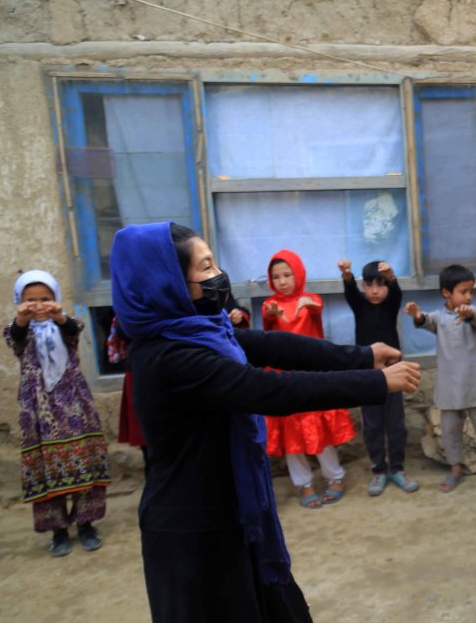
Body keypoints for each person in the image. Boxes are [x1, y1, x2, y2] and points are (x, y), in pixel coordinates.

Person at [111, 222, 419, 622]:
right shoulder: (170, 357)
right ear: (167, 282)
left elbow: (271, 345)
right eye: (205, 268)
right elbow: (268, 390)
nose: (218, 275)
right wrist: (375, 382)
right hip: (193, 531)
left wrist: (360, 356)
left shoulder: (202, 332)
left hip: (230, 511)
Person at [5, 270, 111, 557]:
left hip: (74, 404)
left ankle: (86, 523)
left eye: (45, 298)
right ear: (19, 302)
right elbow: (15, 339)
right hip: (37, 408)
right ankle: (58, 530)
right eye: (30, 300)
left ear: (55, 300)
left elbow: (73, 331)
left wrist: (59, 316)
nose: (38, 304)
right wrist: (22, 319)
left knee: (84, 461)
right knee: (45, 467)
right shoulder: (18, 330)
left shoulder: (67, 326)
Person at [110, 296, 251, 471]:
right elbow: (124, 329)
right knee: (156, 452)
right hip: (151, 377)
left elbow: (232, 312)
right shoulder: (140, 293)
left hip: (198, 375)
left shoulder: (207, 286)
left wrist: (239, 315)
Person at [262, 250, 356, 509]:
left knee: (320, 428)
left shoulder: (311, 299)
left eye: (287, 274)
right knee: (291, 433)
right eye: (276, 276)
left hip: (313, 373)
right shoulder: (269, 305)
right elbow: (269, 323)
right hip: (283, 377)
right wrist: (272, 313)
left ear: (299, 274)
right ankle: (303, 483)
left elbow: (315, 310)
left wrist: (306, 305)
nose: (282, 281)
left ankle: (335, 477)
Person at [404, 265, 476, 493]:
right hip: (449, 389)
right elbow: (425, 320)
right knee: (450, 432)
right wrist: (417, 315)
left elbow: (473, 315)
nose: (469, 296)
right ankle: (455, 470)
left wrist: (466, 313)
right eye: (463, 291)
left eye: (471, 291)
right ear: (446, 293)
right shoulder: (438, 318)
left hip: (475, 385)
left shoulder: (472, 312)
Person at [339, 258, 418, 497]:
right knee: (372, 424)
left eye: (380, 285)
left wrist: (392, 279)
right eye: (369, 285)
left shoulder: (390, 306)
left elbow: (395, 294)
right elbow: (351, 294)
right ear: (363, 287)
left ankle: (398, 468)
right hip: (367, 374)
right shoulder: (360, 306)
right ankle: (378, 470)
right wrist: (347, 275)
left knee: (396, 424)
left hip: (393, 371)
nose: (374, 290)